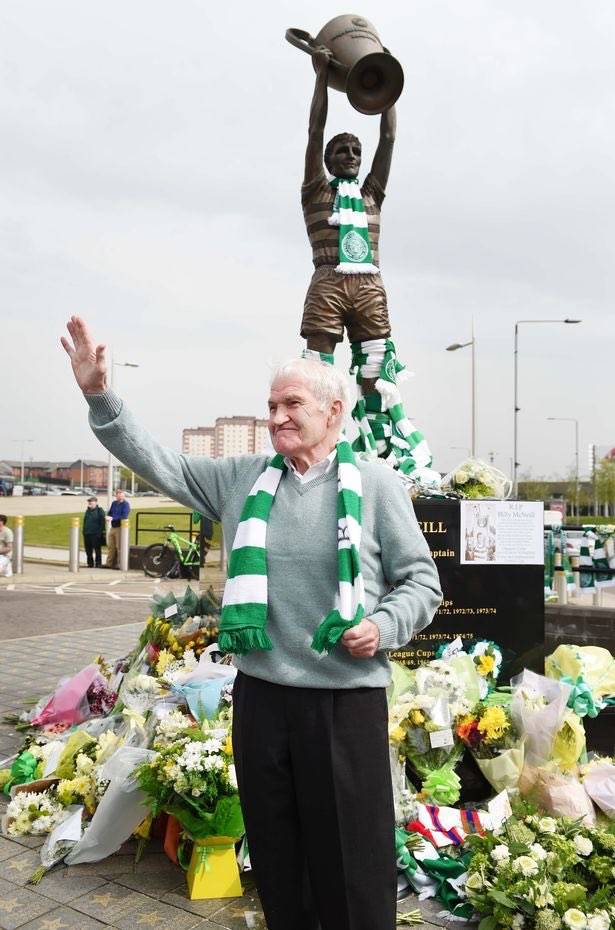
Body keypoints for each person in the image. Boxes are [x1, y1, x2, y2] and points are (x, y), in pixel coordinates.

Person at [61, 315, 442, 930]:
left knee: (351, 862)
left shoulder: (376, 485)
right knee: (278, 857)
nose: (278, 417)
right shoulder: (241, 480)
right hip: (263, 700)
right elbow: (153, 459)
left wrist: (384, 625)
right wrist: (99, 396)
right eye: (271, 405)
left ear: (334, 410)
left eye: (292, 403)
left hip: (344, 704)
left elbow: (422, 582)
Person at [106, 488, 129, 569]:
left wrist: (113, 518)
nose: (118, 495)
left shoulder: (125, 504)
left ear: (123, 495)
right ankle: (109, 564)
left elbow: (124, 516)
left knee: (119, 547)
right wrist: (108, 516)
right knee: (110, 546)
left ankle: (119, 564)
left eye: (120, 493)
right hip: (112, 527)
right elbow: (110, 512)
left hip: (120, 528)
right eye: (117, 494)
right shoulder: (114, 503)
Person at [83, 495, 106, 568]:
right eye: (89, 502)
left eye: (91, 501)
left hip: (96, 533)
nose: (90, 503)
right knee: (88, 550)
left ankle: (98, 563)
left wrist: (100, 532)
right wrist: (84, 531)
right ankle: (90, 563)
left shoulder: (100, 510)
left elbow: (102, 522)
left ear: (95, 502)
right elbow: (85, 521)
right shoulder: (87, 511)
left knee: (97, 549)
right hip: (87, 533)